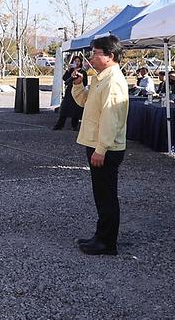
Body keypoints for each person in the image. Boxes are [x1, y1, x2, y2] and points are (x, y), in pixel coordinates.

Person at [71, 35, 129, 256]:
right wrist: (78, 86)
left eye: (95, 53)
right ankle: (101, 236)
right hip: (97, 144)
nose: (90, 58)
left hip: (106, 148)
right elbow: (86, 103)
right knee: (101, 194)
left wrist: (101, 149)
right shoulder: (101, 77)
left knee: (106, 195)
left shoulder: (113, 81)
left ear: (109, 56)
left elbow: (110, 118)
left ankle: (107, 243)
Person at [53, 56, 87, 131]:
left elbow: (85, 83)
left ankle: (74, 126)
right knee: (64, 109)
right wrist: (68, 70)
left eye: (78, 61)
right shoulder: (70, 70)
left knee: (76, 109)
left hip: (78, 92)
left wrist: (78, 81)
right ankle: (59, 125)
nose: (77, 63)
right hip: (69, 92)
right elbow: (64, 78)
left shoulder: (83, 72)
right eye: (75, 61)